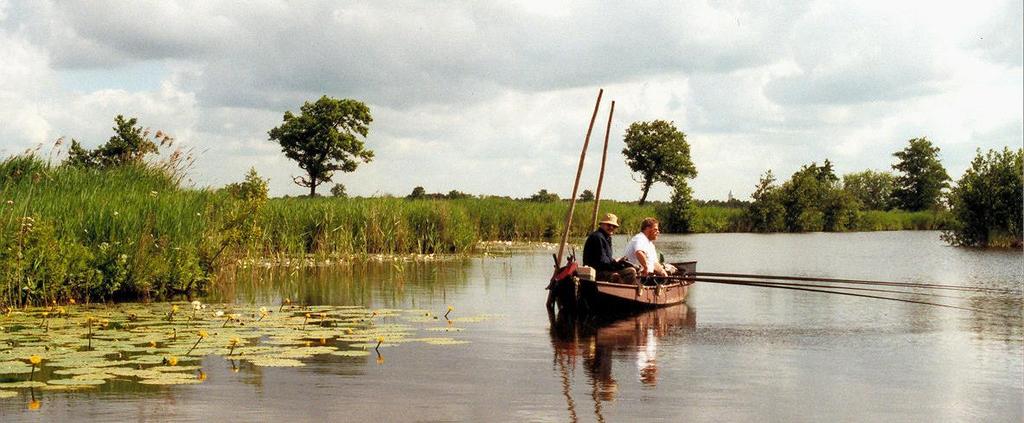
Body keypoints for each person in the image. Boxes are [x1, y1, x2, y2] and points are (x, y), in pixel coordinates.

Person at [582, 213, 637, 284]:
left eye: (614, 226)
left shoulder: (606, 237)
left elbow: (606, 259)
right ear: (601, 225)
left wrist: (617, 262)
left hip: (603, 270)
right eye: (609, 225)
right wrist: (617, 264)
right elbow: (602, 261)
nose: (611, 228)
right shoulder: (598, 237)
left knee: (631, 270)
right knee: (631, 272)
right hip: (597, 272)